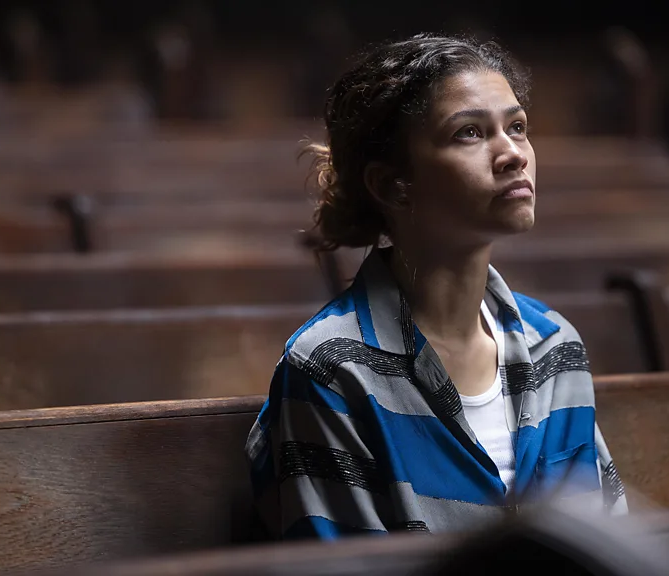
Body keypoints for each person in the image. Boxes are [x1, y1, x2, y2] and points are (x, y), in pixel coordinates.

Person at [246, 33, 627, 541]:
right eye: (470, 133)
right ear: (390, 185)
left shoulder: (555, 347)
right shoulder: (331, 369)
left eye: (517, 127)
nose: (513, 154)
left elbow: (606, 543)